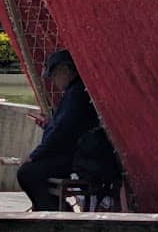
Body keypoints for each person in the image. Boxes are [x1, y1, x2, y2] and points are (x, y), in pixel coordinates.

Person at [17, 50, 99, 210]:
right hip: (71, 154)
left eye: (54, 75)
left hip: (76, 158)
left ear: (66, 70)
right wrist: (48, 125)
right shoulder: (73, 92)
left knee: (27, 173)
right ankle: (51, 208)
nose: (54, 80)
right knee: (32, 172)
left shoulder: (76, 94)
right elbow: (61, 127)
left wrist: (35, 155)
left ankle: (54, 212)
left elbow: (61, 132)